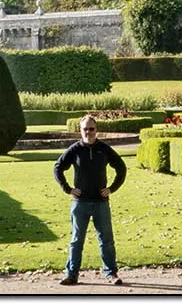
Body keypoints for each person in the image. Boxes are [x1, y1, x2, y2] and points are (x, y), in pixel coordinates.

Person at [54, 115, 128, 286]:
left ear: (96, 130)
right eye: (84, 129)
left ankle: (111, 274)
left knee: (106, 240)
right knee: (76, 240)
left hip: (101, 203)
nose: (88, 132)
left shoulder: (104, 149)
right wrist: (68, 189)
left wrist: (112, 188)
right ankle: (72, 275)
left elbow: (121, 168)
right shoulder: (75, 150)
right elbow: (58, 168)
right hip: (80, 203)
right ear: (80, 131)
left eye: (91, 129)